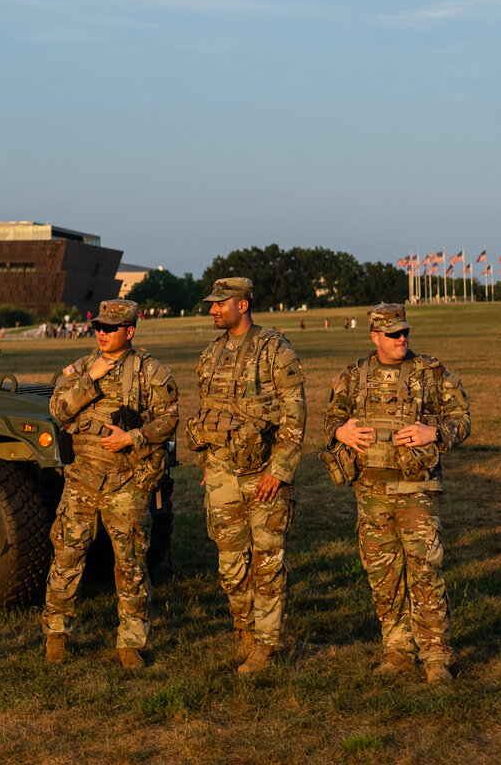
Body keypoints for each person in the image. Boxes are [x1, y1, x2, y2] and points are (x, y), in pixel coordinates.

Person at [324, 303, 472, 684]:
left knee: (424, 569)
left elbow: (462, 419)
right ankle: (397, 649)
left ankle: (436, 654)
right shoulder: (354, 376)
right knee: (383, 574)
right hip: (370, 490)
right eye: (392, 334)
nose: (401, 338)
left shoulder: (430, 372)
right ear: (375, 336)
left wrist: (434, 432)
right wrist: (341, 432)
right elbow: (331, 417)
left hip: (416, 489)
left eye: (404, 332)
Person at [42, 298, 178, 668]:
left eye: (110, 328)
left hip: (127, 482)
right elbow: (56, 410)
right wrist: (91, 379)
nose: (101, 333)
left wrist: (131, 438)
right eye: (97, 327)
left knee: (130, 563)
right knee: (67, 556)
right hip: (82, 481)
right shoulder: (81, 369)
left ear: (129, 331)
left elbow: (169, 421)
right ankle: (57, 635)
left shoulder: (152, 372)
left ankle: (130, 642)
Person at [185, 276, 307, 674]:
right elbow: (209, 415)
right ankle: (245, 633)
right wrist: (209, 463)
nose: (213, 310)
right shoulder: (210, 354)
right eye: (212, 304)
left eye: (220, 303)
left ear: (242, 303)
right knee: (230, 563)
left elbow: (294, 413)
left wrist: (281, 470)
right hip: (221, 474)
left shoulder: (275, 349)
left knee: (268, 560)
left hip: (264, 474)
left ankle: (268, 646)